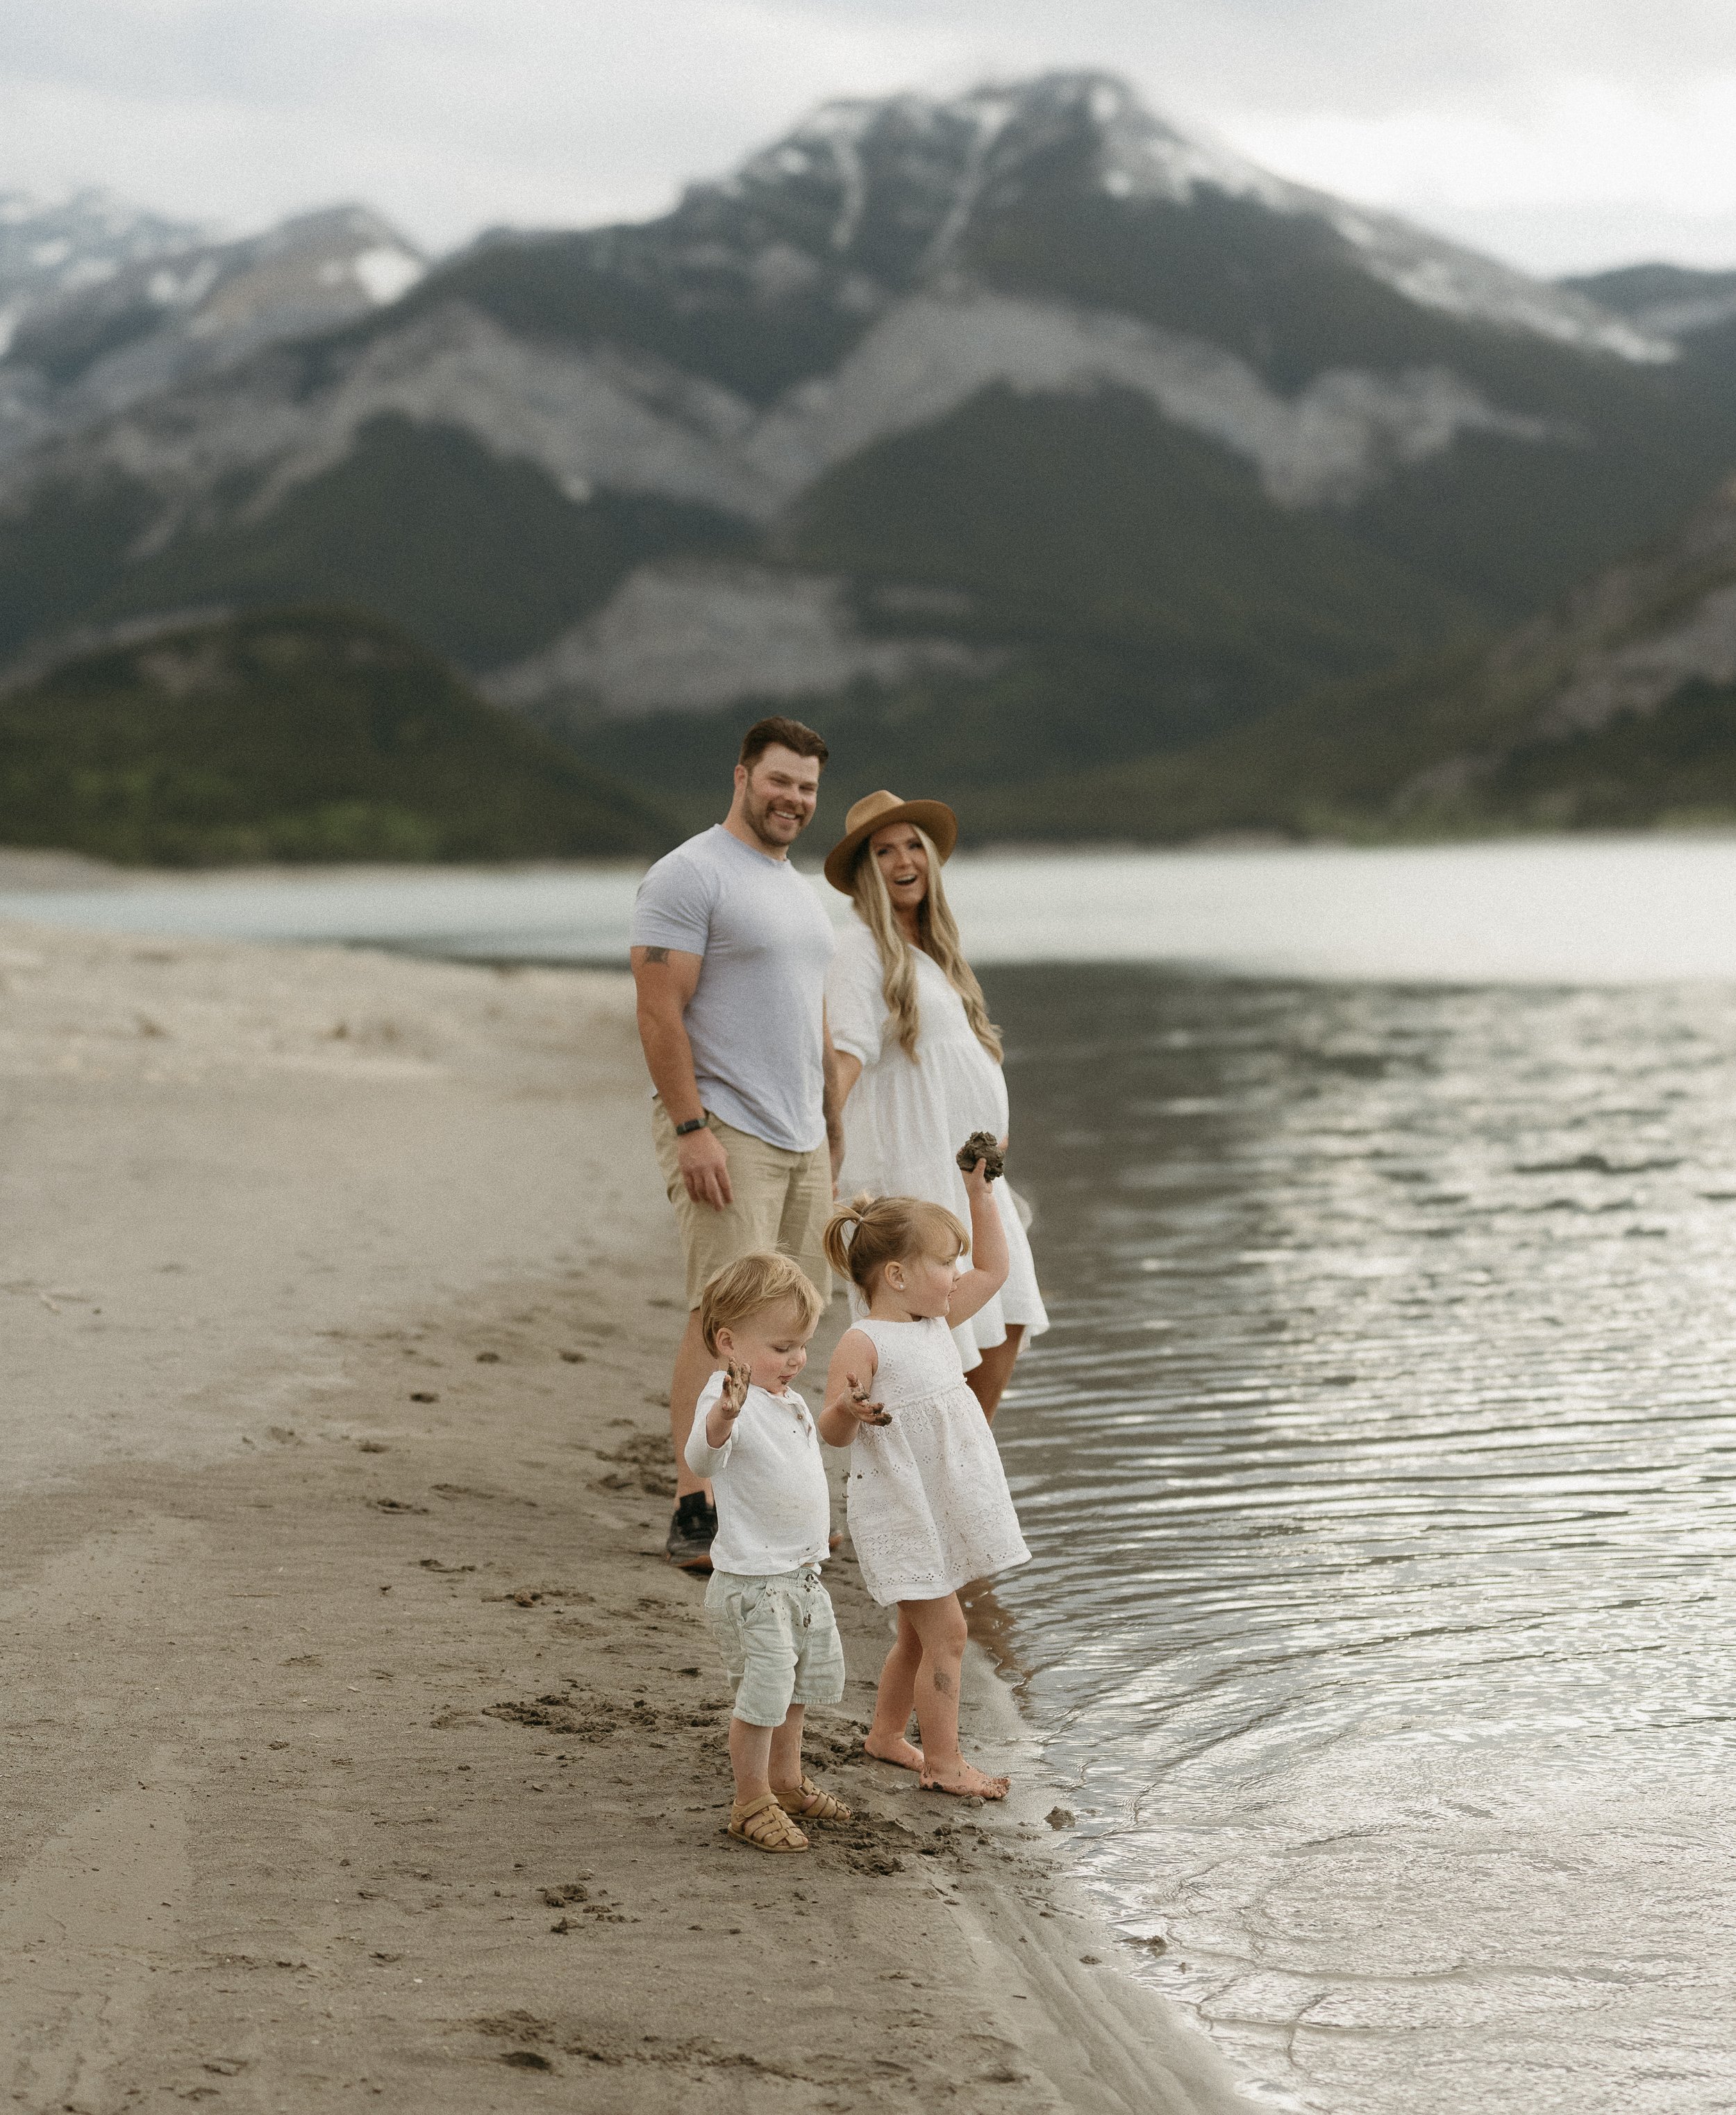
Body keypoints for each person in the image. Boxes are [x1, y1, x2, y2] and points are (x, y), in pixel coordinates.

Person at [631, 717, 843, 1572]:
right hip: (725, 1126)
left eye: (807, 788)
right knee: (720, 1315)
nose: (793, 798)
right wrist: (691, 1128)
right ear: (743, 776)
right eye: (780, 781)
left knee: (794, 1321)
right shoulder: (687, 875)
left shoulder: (799, 889)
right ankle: (696, 1504)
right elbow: (657, 1007)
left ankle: (770, 1498)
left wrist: (834, 1128)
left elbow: (813, 1016)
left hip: (802, 1140)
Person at [823, 789, 1046, 1420]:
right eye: (884, 849)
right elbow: (847, 1056)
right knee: (916, 1356)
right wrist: (823, 1154)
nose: (903, 859)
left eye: (913, 845)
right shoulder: (858, 949)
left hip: (971, 1178)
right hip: (911, 1174)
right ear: (867, 869)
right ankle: (885, 1503)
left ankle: (960, 1486)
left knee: (1005, 1322)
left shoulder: (939, 951)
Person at [818, 1162, 1028, 1798]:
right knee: (949, 1634)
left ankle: (886, 1735)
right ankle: (944, 1763)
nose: (959, 1275)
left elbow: (996, 1270)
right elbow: (831, 1430)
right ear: (899, 1276)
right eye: (946, 1263)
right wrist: (847, 1410)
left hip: (939, 1507)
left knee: (917, 1632)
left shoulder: (933, 1321)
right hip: (900, 1512)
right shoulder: (865, 1341)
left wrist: (979, 1194)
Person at [684, 1251, 872, 1852]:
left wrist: (841, 1410)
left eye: (803, 1346)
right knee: (762, 1696)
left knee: (795, 1688)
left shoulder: (782, 1396)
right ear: (729, 1342)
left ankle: (786, 1782)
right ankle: (750, 1800)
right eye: (782, 1346)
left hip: (798, 1576)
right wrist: (722, 1416)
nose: (796, 1360)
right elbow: (703, 1457)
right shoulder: (727, 1398)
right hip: (752, 1584)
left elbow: (798, 1458)